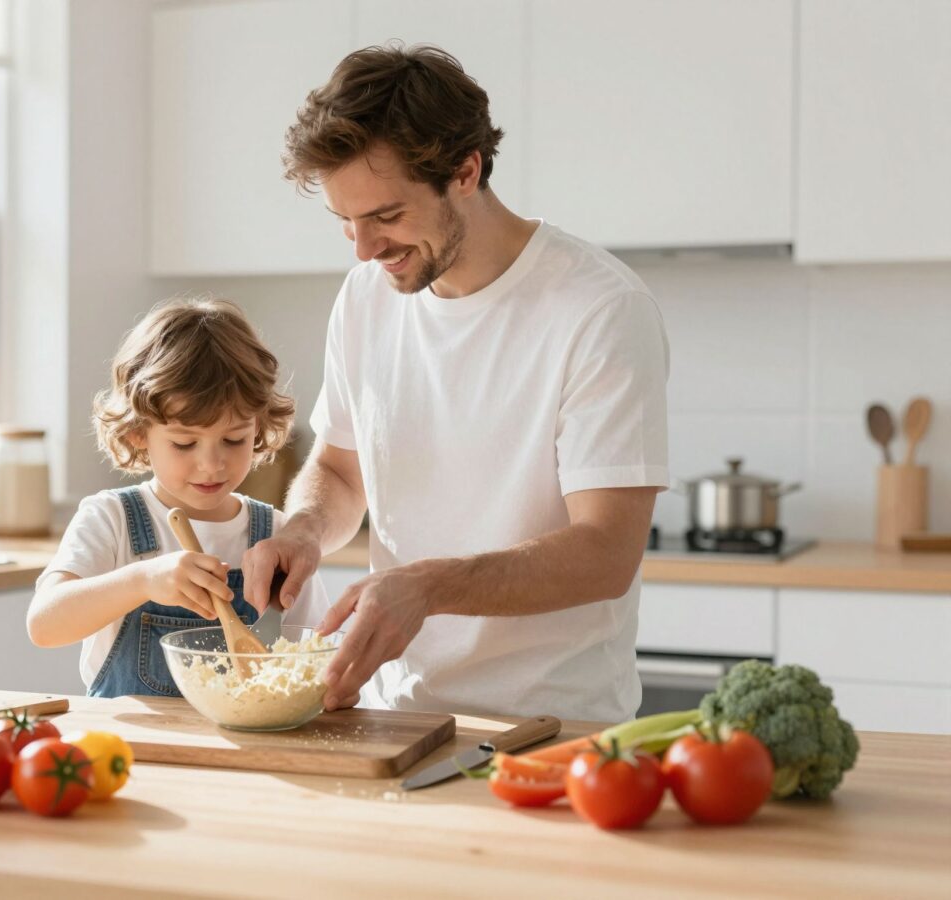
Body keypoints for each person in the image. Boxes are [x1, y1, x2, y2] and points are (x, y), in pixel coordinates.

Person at [240, 44, 670, 722]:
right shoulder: (365, 298)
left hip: (553, 728)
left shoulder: (599, 308)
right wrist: (304, 529)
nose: (363, 248)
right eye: (345, 223)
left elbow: (607, 552)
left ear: (465, 171)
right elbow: (342, 469)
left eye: (384, 216)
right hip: (394, 716)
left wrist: (428, 587)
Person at [27, 296, 328, 698]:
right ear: (138, 434)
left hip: (246, 753)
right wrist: (141, 580)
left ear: (257, 428)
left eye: (234, 439)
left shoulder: (276, 535)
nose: (212, 464)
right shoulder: (111, 519)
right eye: (185, 443)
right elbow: (44, 624)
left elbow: (321, 652)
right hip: (129, 751)